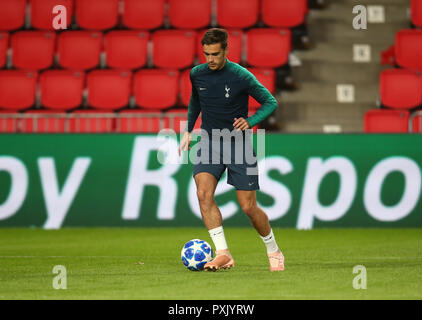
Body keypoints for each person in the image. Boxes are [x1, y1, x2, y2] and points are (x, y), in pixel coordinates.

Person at [178, 28, 284, 272]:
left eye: (215, 54)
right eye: (206, 54)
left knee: (248, 207)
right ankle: (223, 253)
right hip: (209, 142)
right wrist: (188, 129)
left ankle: (273, 249)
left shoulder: (241, 76)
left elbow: (270, 102)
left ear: (226, 50)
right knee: (203, 194)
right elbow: (196, 100)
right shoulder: (197, 74)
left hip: (239, 145)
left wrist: (252, 121)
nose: (211, 60)